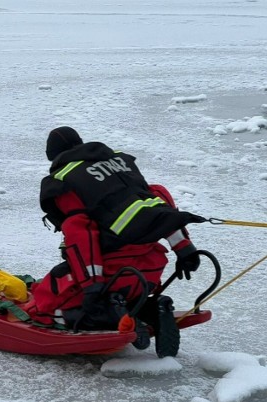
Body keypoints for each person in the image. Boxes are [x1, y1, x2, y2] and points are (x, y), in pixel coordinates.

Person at [24, 126, 205, 357]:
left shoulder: (65, 180)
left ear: (52, 155)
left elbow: (80, 232)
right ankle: (152, 309)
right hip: (149, 270)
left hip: (112, 273)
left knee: (44, 305)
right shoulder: (119, 163)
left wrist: (92, 286)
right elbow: (157, 201)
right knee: (117, 291)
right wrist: (184, 248)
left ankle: (112, 314)